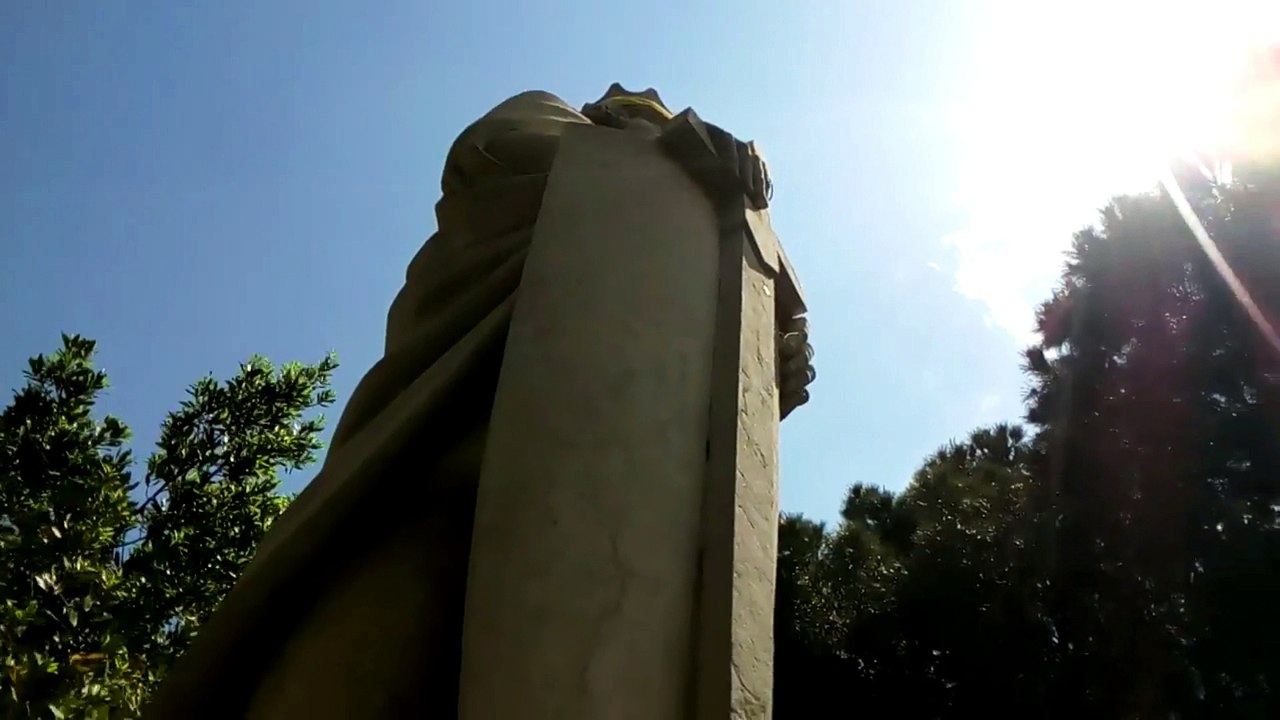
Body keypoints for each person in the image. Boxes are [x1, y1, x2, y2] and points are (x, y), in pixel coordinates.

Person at [145, 85, 814, 719]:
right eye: (638, 108)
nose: (657, 118)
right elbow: (493, 148)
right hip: (437, 482)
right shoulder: (552, 129)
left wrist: (754, 373)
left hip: (590, 533)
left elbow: (659, 409)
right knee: (345, 677)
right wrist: (655, 155)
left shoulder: (674, 242)